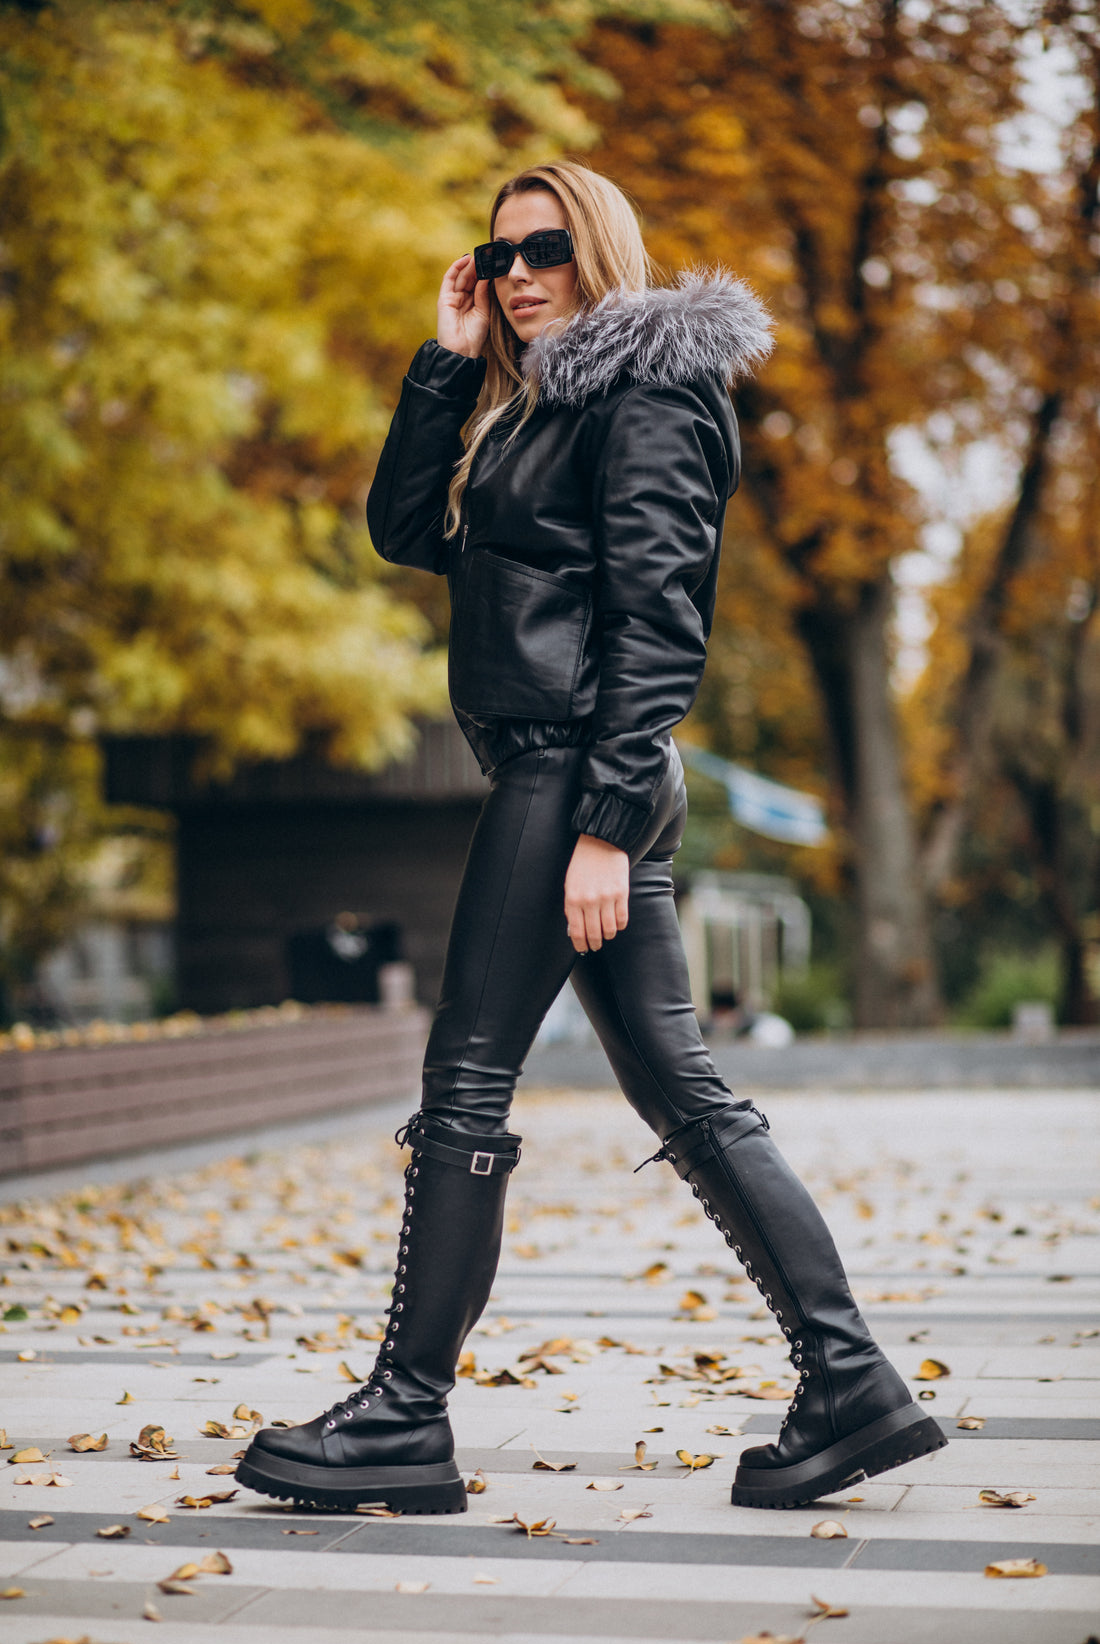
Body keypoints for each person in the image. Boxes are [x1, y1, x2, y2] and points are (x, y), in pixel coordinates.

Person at [237, 161, 946, 1515]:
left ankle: (404, 1412)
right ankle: (851, 1381)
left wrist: (607, 825)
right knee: (683, 1091)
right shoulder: (533, 410)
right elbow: (405, 533)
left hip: (574, 775)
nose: (516, 272)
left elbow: (663, 616)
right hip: (569, 769)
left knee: (465, 1087)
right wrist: (447, 368)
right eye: (495, 252)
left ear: (599, 248)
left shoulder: (652, 397)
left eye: (545, 246)